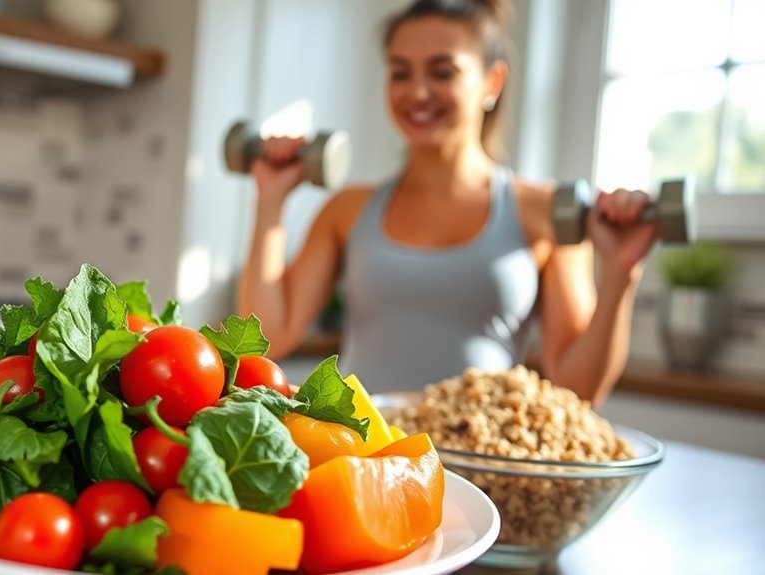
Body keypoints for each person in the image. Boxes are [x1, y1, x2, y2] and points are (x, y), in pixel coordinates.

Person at [235, 0, 658, 408]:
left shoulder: (547, 212)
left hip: (479, 463)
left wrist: (621, 273)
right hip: (365, 451)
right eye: (400, 73)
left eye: (442, 72)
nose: (418, 92)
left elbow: (579, 390)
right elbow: (270, 335)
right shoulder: (347, 209)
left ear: (493, 82)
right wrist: (270, 199)